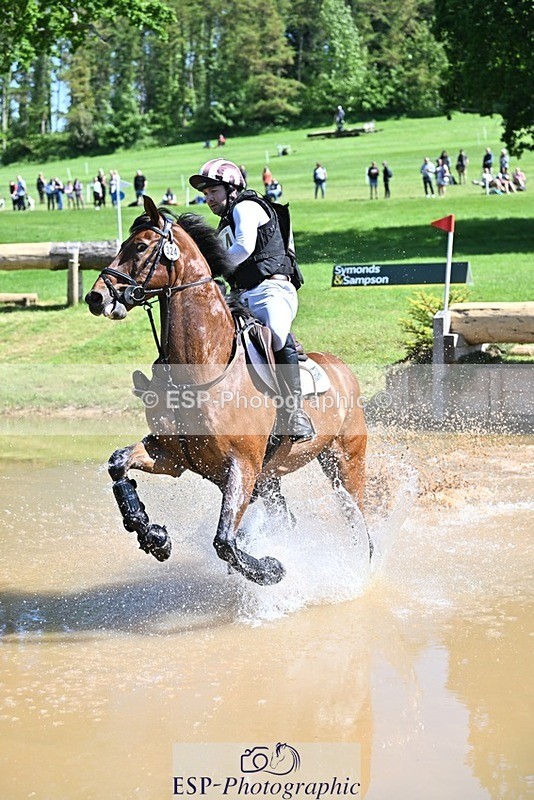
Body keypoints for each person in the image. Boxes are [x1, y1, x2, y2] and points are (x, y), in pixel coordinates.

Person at [188, 158, 315, 443]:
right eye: (206, 194)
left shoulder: (247, 207)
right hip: (242, 296)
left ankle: (294, 412)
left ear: (231, 188)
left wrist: (211, 273)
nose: (208, 199)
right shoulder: (225, 221)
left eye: (213, 192)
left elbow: (245, 246)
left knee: (278, 337)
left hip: (272, 292)